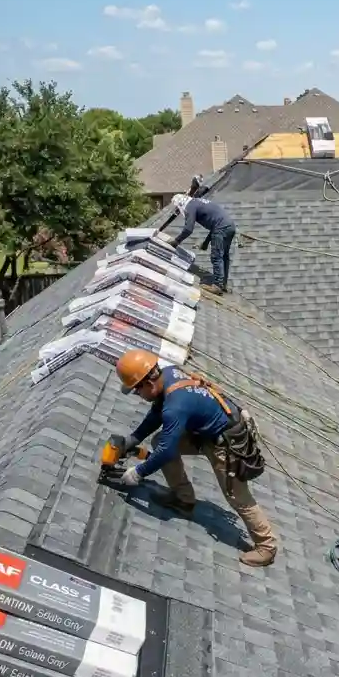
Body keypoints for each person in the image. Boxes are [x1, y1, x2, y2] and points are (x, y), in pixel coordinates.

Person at [113, 349, 278, 567]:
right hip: (204, 433)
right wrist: (130, 441)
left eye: (136, 391)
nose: (138, 396)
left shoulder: (176, 405)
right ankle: (184, 499)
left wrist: (138, 473)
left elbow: (166, 451)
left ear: (148, 384)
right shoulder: (169, 375)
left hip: (225, 444)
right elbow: (155, 416)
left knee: (237, 497)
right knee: (161, 440)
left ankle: (267, 547)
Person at [168, 193, 237, 295]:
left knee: (216, 256)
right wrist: (206, 243)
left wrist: (176, 241)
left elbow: (188, 229)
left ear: (180, 204)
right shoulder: (196, 202)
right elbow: (215, 223)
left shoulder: (189, 206)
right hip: (230, 226)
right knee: (224, 256)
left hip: (221, 228)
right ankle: (223, 284)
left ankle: (217, 286)